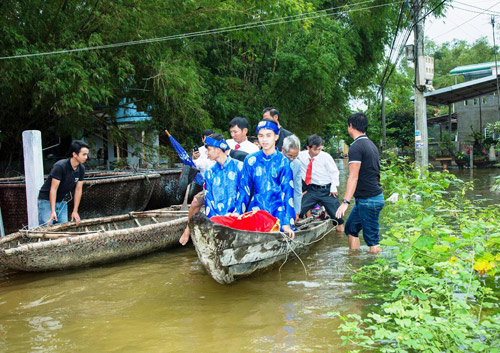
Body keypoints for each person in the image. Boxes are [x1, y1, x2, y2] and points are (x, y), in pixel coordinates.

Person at [236, 119, 295, 238]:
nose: (264, 139)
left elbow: (288, 193)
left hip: (277, 212)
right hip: (256, 211)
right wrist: (237, 213)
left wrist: (287, 223)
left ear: (276, 137)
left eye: (268, 135)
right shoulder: (250, 160)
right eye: (261, 136)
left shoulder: (284, 162)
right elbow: (244, 189)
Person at [336, 112, 385, 254]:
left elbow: (353, 176)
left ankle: (379, 272)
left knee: (372, 240)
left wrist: (345, 201)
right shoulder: (371, 145)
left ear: (350, 126)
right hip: (367, 199)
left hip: (369, 200)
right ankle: (354, 262)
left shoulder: (356, 147)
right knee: (350, 228)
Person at [297, 134, 344, 231]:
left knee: (337, 218)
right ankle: (298, 230)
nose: (318, 152)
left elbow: (334, 172)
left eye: (319, 149)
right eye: (315, 149)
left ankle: (339, 236)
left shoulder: (326, 157)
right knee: (298, 211)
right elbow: (289, 156)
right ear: (308, 148)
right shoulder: (301, 156)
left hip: (327, 190)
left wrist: (334, 188)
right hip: (312, 190)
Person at [38, 140, 89, 226]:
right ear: (74, 154)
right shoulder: (60, 166)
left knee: (63, 226)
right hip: (46, 200)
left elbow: (78, 190)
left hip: (62, 200)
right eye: (83, 154)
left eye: (87, 154)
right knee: (47, 227)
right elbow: (53, 189)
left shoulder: (81, 169)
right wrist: (53, 210)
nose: (86, 157)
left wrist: (75, 211)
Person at [203, 134, 243, 217]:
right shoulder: (210, 172)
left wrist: (237, 213)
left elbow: (243, 193)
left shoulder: (239, 167)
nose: (207, 153)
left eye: (209, 149)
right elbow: (208, 198)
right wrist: (214, 218)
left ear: (217, 150)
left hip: (236, 217)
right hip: (217, 220)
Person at [282, 135, 302, 222]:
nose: (292, 159)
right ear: (283, 150)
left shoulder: (297, 164)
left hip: (288, 200)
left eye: (295, 156)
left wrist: (296, 211)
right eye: (289, 156)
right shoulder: (274, 161)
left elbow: (297, 190)